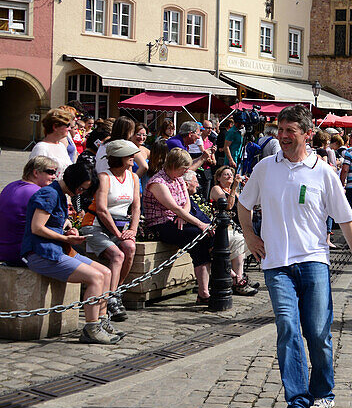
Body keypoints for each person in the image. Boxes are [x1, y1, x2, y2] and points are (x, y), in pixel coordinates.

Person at [237, 106, 352, 408]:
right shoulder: (265, 167)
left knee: (318, 333)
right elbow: (243, 203)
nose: (282, 135)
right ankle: (298, 403)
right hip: (276, 264)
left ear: (307, 134)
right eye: (280, 129)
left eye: (289, 130)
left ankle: (323, 391)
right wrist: (251, 236)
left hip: (313, 262)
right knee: (288, 328)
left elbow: (345, 218)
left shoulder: (322, 172)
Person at [21, 162, 120, 344]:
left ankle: (102, 320)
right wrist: (65, 239)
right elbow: (37, 227)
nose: (81, 192)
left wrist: (68, 230)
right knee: (95, 278)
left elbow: (54, 224)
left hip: (59, 249)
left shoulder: (60, 194)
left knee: (106, 273)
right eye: (81, 188)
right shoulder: (49, 194)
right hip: (41, 253)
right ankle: (91, 328)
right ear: (74, 182)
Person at [80, 139, 142, 323]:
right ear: (119, 158)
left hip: (121, 226)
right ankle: (110, 299)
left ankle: (116, 291)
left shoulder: (133, 177)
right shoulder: (104, 177)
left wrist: (133, 229)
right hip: (96, 225)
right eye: (129, 155)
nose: (133, 158)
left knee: (129, 248)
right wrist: (117, 233)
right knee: (117, 255)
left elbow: (136, 207)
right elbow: (101, 209)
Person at [143, 148, 216, 302]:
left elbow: (186, 201)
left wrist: (184, 216)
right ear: (174, 165)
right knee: (200, 233)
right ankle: (223, 274)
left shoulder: (179, 179)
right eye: (183, 168)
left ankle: (204, 293)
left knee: (202, 244)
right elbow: (173, 207)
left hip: (178, 219)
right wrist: (199, 223)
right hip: (162, 223)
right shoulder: (158, 182)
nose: (185, 172)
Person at [209, 166, 260, 295]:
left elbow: (248, 207)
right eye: (225, 175)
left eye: (231, 174)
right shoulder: (216, 189)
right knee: (239, 240)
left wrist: (247, 188)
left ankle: (239, 276)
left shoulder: (236, 192)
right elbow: (228, 206)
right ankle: (238, 280)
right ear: (219, 178)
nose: (229, 176)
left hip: (234, 228)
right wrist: (234, 188)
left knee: (245, 239)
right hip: (220, 229)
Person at [0, 157, 59, 265]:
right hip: (21, 252)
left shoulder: (10, 186)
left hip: (3, 249)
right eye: (50, 172)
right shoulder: (39, 193)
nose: (54, 177)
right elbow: (52, 225)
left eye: (55, 173)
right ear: (36, 172)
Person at [30, 109, 74, 174]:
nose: (70, 128)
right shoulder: (41, 148)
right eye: (67, 125)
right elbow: (35, 175)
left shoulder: (61, 146)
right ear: (55, 127)